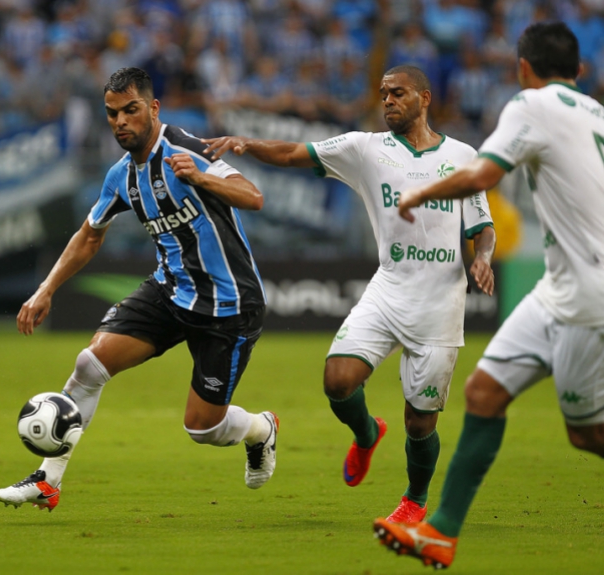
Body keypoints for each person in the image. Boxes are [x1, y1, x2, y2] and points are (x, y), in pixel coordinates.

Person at [203, 65, 496, 524]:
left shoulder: (463, 155)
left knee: (420, 422)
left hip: (440, 304)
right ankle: (365, 434)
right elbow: (292, 153)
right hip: (388, 288)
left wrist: (482, 257)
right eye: (383, 94)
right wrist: (246, 144)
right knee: (337, 381)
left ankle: (414, 502)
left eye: (397, 93)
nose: (388, 102)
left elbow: (483, 225)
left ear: (424, 97)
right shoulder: (366, 148)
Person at [0, 67, 278, 511]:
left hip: (229, 304)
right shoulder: (121, 175)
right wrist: (45, 288)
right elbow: (90, 235)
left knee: (202, 428)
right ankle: (48, 482)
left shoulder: (187, 148)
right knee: (89, 364)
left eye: (131, 110)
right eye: (112, 114)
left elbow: (252, 195)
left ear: (153, 108)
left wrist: (202, 178)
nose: (121, 121)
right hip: (170, 289)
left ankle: (261, 429)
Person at [374, 22, 604, 570]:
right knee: (483, 394)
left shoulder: (532, 104)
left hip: (587, 294)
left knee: (585, 432)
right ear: (579, 69)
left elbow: (483, 172)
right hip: (560, 287)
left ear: (522, 67)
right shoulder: (594, 113)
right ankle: (440, 534)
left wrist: (424, 190)